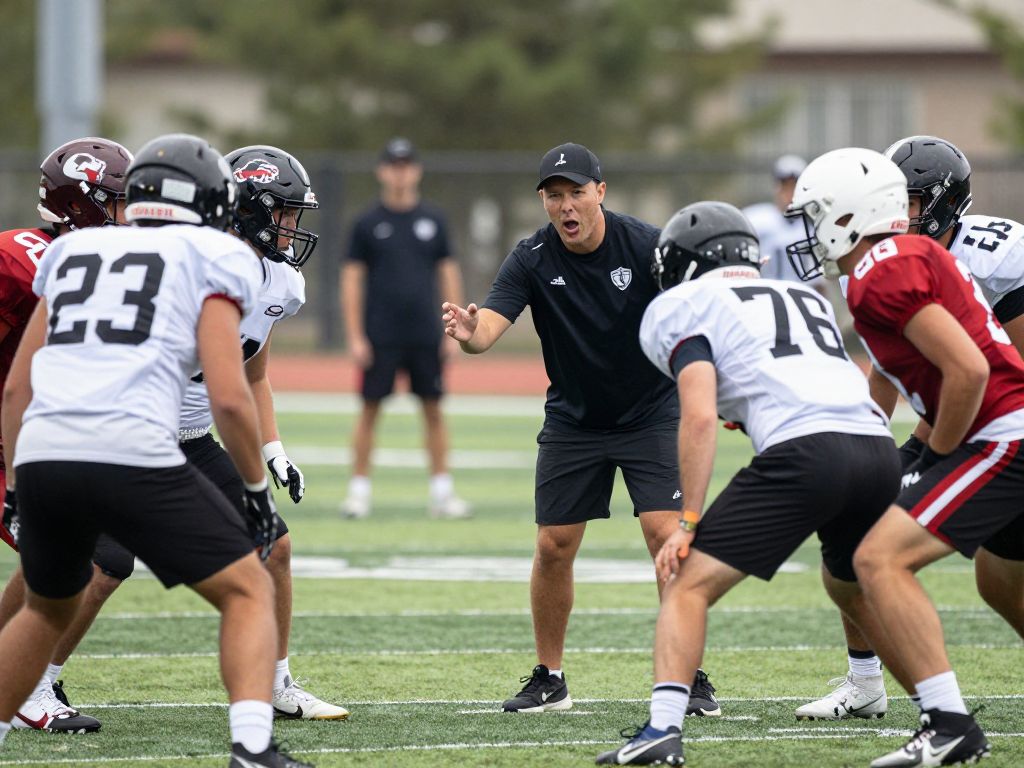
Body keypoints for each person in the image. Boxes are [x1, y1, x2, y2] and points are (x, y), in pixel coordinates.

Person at [0, 133, 312, 768]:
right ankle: (253, 749)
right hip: (132, 444)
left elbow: (15, 388)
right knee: (249, 588)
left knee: (44, 601)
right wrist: (255, 492)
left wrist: (15, 481)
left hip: (45, 447)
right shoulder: (213, 257)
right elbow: (230, 399)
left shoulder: (73, 251)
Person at [594, 201, 899, 765]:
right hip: (878, 448)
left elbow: (701, 416)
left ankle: (661, 731)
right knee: (851, 580)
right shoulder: (805, 295)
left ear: (682, 265)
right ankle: (945, 712)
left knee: (685, 580)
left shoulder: (685, 303)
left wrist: (687, 522)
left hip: (808, 454)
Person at [442, 142, 718, 717]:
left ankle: (688, 676)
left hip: (650, 411)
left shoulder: (646, 246)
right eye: (554, 195)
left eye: (576, 192)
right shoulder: (531, 257)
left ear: (601, 192)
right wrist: (469, 332)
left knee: (666, 536)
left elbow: (695, 318)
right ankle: (551, 677)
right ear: (543, 201)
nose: (566, 205)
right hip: (574, 419)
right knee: (553, 546)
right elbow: (488, 329)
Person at [786, 146, 1024, 767]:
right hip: (988, 429)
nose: (811, 231)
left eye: (817, 215)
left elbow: (970, 371)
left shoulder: (881, 270)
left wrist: (937, 454)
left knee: (880, 557)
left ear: (848, 215)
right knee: (853, 554)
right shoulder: (892, 262)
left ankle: (948, 724)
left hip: (1000, 434)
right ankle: (906, 700)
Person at [0, 136, 133, 734]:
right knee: (68, 554)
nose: (132, 217)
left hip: (32, 438)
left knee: (62, 554)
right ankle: (22, 687)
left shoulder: (94, 268)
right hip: (10, 441)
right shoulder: (23, 258)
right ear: (83, 205)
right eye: (120, 202)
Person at [340, 137, 470, 520]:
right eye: (393, 165)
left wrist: (453, 330)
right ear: (382, 170)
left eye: (406, 165)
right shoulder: (366, 223)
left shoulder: (434, 220)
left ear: (416, 170)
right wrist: (355, 335)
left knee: (433, 411)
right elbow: (351, 281)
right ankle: (358, 492)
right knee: (369, 410)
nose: (400, 172)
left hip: (424, 335)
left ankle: (442, 493)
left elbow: (448, 274)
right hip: (380, 335)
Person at [742, 154, 824, 289]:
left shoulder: (812, 227)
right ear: (777, 187)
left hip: (799, 299)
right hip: (762, 296)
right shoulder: (756, 219)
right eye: (786, 186)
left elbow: (818, 281)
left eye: (794, 187)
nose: (789, 193)